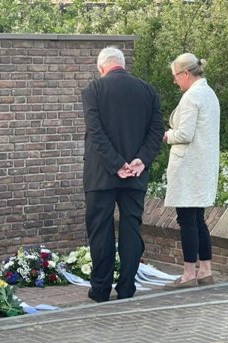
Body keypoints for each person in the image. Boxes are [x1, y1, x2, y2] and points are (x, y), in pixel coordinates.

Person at [82, 47, 164, 302]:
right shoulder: (148, 90)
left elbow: (96, 133)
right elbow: (157, 130)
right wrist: (141, 160)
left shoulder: (93, 91)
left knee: (100, 230)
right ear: (123, 64)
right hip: (136, 175)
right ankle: (127, 288)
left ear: (101, 68)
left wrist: (117, 164)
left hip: (100, 175)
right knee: (131, 229)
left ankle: (101, 289)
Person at [163, 53, 220, 289]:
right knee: (198, 220)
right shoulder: (209, 94)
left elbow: (184, 134)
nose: (175, 81)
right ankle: (205, 270)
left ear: (186, 73)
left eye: (176, 76)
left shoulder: (191, 97)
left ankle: (188, 274)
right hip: (203, 165)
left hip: (188, 166)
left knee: (186, 220)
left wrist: (167, 135)